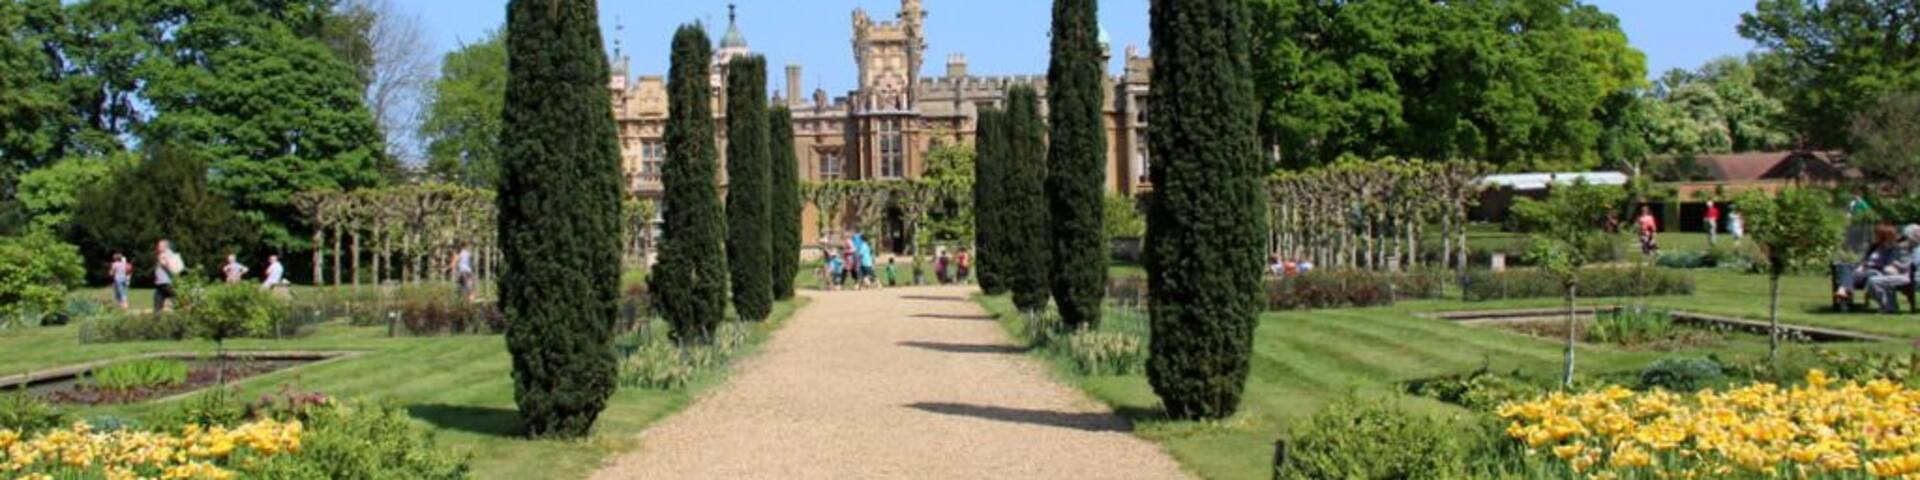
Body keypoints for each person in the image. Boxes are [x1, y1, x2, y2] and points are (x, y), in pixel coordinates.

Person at [1837, 224, 1908, 304]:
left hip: (1877, 272)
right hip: (1863, 271)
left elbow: (1888, 265)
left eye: (1877, 234)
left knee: (1870, 273)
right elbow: (1864, 259)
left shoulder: (1892, 249)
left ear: (1884, 236)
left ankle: (1844, 290)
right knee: (1846, 266)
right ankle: (1845, 290)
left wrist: (1869, 265)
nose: (1875, 236)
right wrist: (1862, 265)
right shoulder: (1874, 246)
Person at [1866, 225, 1920, 313]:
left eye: (1906, 237)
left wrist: (1895, 266)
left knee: (1873, 281)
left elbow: (1912, 267)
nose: (1904, 240)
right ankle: (1890, 306)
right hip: (1910, 277)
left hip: (1912, 279)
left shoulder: (1916, 250)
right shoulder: (1911, 249)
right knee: (1885, 279)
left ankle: (1889, 307)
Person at [153, 240, 184, 313]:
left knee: (177, 304)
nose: (158, 247)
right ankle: (156, 322)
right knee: (157, 307)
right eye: (158, 245)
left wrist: (165, 264)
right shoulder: (162, 255)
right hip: (160, 285)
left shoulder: (168, 255)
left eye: (160, 246)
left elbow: (173, 270)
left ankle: (180, 319)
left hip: (168, 284)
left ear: (166, 247)